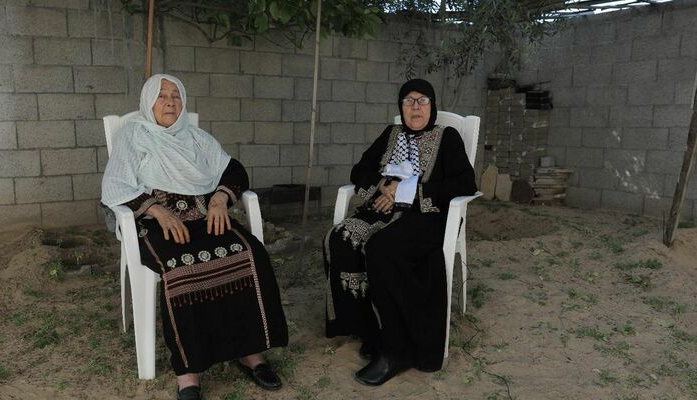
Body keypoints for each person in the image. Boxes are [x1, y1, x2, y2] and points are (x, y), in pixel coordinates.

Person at [101, 74, 288, 400]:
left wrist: (219, 199)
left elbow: (234, 170)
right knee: (183, 269)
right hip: (157, 222)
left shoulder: (197, 138)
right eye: (162, 96)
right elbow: (116, 184)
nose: (170, 102)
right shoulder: (134, 136)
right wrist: (158, 211)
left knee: (250, 254)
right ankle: (189, 373)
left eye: (175, 95)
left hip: (204, 215)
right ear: (149, 103)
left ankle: (250, 353)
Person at [323, 78, 477, 386]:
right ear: (401, 108)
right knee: (341, 238)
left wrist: (407, 189)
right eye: (409, 101)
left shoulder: (447, 137)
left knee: (383, 248)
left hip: (428, 214)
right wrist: (384, 185)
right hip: (382, 208)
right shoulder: (391, 134)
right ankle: (371, 330)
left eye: (422, 101)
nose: (415, 107)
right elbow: (360, 170)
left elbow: (464, 184)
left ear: (431, 106)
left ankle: (396, 348)